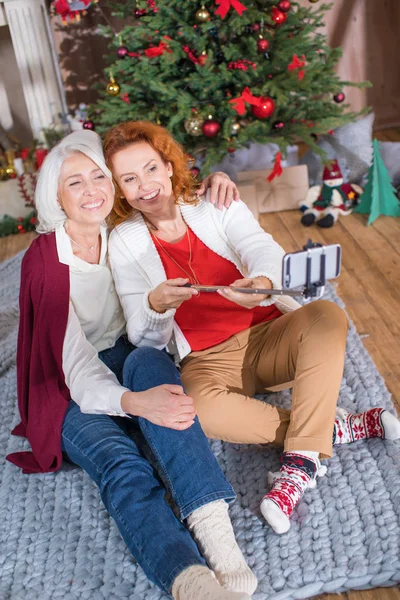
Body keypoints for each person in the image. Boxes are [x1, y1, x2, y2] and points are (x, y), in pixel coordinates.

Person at [105, 121, 400, 536]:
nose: (145, 185)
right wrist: (155, 306)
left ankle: (298, 462)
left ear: (169, 166)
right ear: (119, 188)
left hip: (268, 335)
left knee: (327, 316)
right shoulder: (123, 241)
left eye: (151, 168)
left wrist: (261, 284)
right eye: (129, 179)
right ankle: (326, 430)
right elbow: (142, 337)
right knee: (197, 411)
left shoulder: (212, 200)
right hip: (207, 361)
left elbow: (263, 248)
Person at [6, 130, 258, 600]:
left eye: (99, 177)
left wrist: (216, 181)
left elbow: (174, 195)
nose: (92, 190)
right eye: (74, 183)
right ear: (56, 198)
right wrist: (134, 403)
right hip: (62, 386)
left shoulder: (118, 230)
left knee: (160, 381)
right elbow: (76, 366)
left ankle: (215, 532)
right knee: (121, 462)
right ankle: (189, 579)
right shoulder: (45, 262)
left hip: (127, 353)